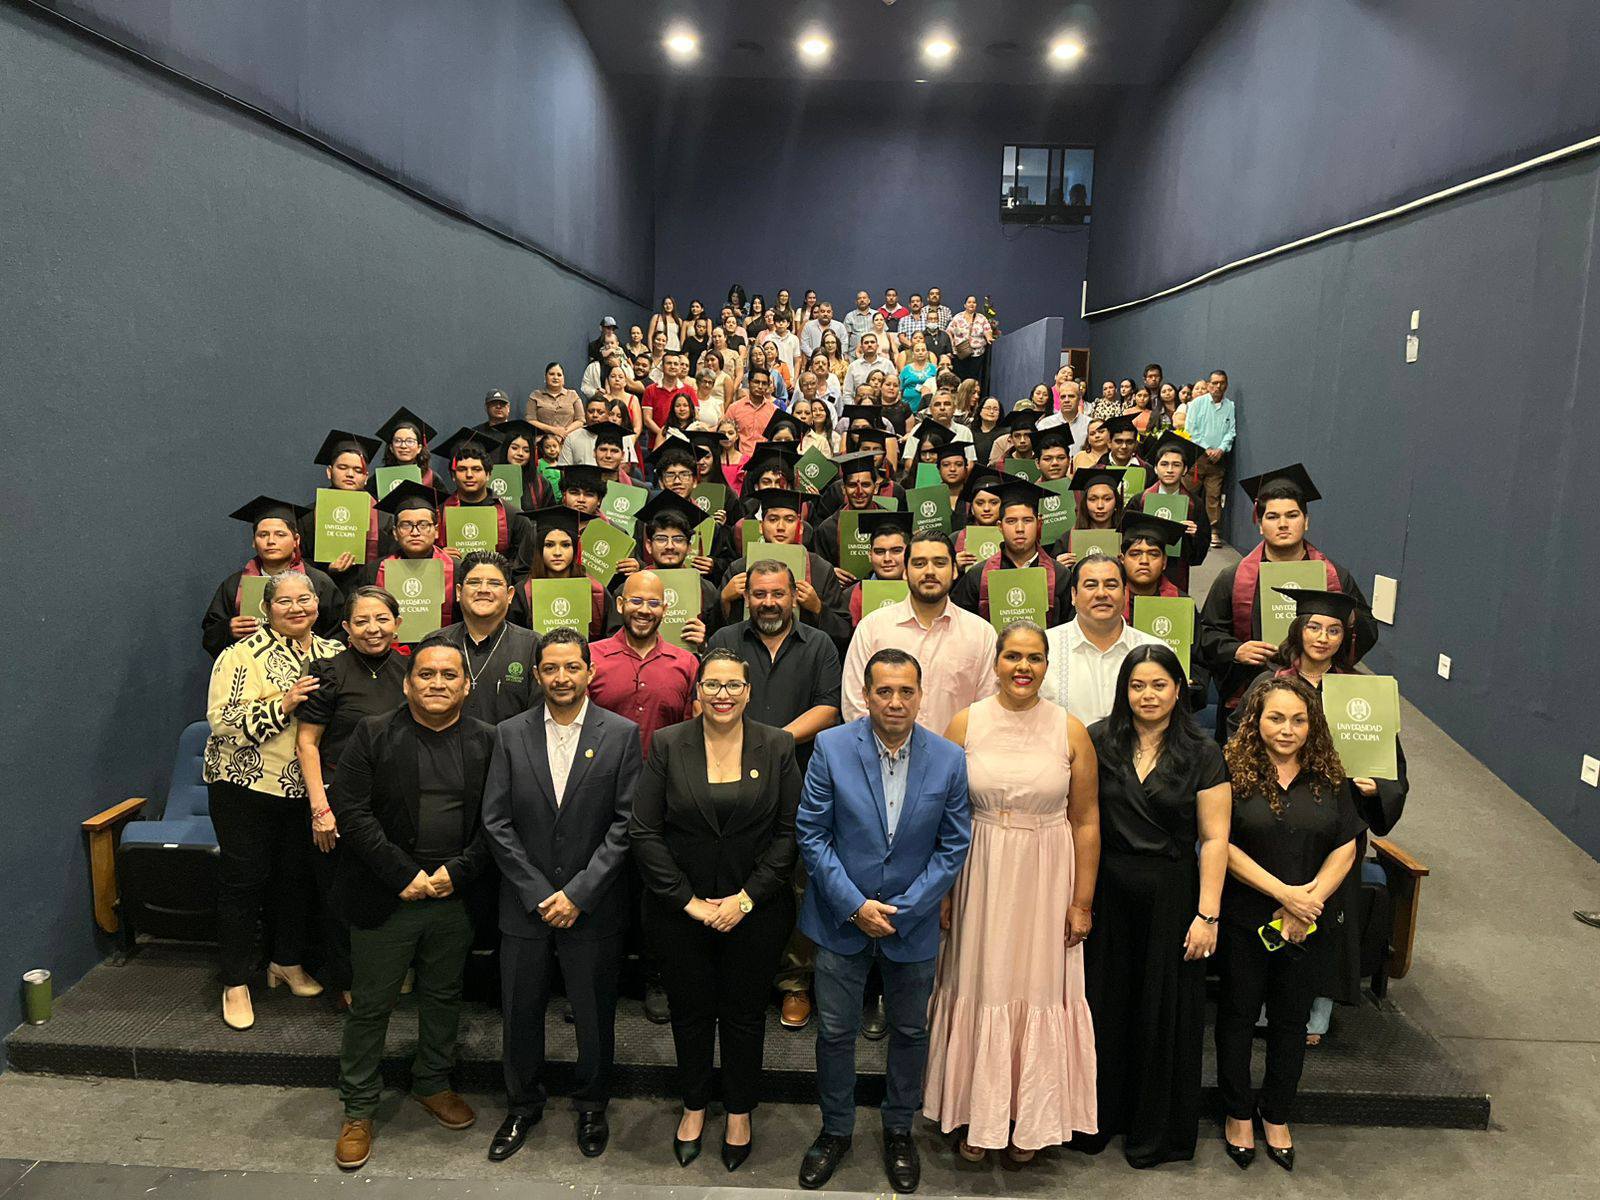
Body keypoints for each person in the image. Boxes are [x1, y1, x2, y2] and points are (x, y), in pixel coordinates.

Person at [795, 649, 971, 1193]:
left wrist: (908, 908)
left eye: (906, 691)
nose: (895, 702)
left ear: (920, 695)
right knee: (835, 1033)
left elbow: (953, 844)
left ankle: (899, 1130)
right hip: (841, 919)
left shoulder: (949, 758)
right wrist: (855, 905)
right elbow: (812, 834)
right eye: (884, 691)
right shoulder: (831, 747)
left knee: (911, 1031)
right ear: (866, 695)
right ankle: (836, 1130)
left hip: (911, 924)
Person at [924, 621, 1100, 1162]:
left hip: (1046, 875)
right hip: (978, 870)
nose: (1023, 667)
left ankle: (1030, 1118)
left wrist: (1081, 902)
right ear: (996, 662)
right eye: (1013, 656)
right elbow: (942, 814)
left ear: (1047, 665)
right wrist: (943, 890)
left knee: (1037, 991)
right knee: (979, 984)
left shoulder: (1071, 731)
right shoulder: (965, 722)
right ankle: (973, 1113)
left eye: (1034, 658)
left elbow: (1086, 821)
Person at [629, 649, 801, 1173]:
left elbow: (790, 832)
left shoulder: (777, 745)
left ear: (748, 693)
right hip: (681, 913)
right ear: (697, 692)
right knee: (691, 1013)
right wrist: (690, 903)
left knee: (745, 1015)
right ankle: (694, 1105)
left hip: (756, 910)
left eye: (733, 686)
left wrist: (746, 898)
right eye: (712, 685)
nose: (722, 695)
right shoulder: (667, 744)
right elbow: (644, 830)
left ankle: (740, 1111)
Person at [328, 640, 496, 1171]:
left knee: (443, 995)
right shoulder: (372, 733)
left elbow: (498, 820)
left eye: (449, 675)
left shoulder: (489, 740)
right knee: (372, 1004)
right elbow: (351, 811)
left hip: (454, 894)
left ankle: (432, 1082)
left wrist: (457, 873)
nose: (437, 683)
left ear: (466, 686)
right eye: (426, 674)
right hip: (387, 893)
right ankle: (359, 1108)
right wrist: (402, 875)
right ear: (407, 683)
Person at [479, 628, 642, 1162]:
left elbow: (626, 824)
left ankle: (592, 1105)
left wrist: (578, 893)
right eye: (551, 668)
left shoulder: (622, 734)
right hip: (524, 905)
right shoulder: (509, 733)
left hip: (593, 905)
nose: (562, 677)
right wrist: (537, 891)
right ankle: (522, 1105)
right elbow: (496, 821)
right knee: (520, 1011)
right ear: (537, 674)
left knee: (594, 1015)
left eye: (572, 667)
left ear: (590, 671)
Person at [1230, 587, 1410, 1044]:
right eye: (1314, 627)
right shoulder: (1269, 682)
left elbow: (1389, 761)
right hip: (1272, 813)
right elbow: (1236, 743)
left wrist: (1378, 788)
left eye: (1333, 630)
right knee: (1268, 903)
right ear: (1298, 629)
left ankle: (1317, 1006)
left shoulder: (1362, 691)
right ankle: (1265, 1000)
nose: (1322, 637)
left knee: (1327, 914)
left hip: (1333, 821)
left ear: (1345, 638)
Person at [1080, 646, 1230, 1166]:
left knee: (1162, 1013)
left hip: (1173, 893)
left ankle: (1154, 1133)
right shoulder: (1098, 740)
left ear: (1178, 690)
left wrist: (1207, 915)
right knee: (1104, 1006)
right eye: (1137, 685)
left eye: (1159, 685)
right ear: (1124, 690)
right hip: (1107, 892)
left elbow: (1215, 839)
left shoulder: (1204, 752)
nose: (1148, 695)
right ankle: (1095, 1119)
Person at [1216, 676, 1365, 1172]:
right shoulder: (1230, 770)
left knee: (1291, 1021)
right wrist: (1284, 895)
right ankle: (1238, 1112)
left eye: (1298, 720)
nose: (1287, 729)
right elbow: (1219, 844)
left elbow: (1345, 845)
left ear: (1312, 725)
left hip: (1307, 924)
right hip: (1246, 918)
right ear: (1256, 720)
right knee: (1238, 1016)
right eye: (1276, 718)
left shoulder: (1329, 777)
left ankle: (1277, 1113)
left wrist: (1308, 902)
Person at [705, 562, 843, 1031]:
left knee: (798, 882)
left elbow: (828, 708)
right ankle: (734, 977)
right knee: (736, 875)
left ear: (794, 596)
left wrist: (772, 744)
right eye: (760, 594)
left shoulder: (819, 644)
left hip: (799, 781)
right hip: (727, 780)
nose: (769, 602)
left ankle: (793, 983)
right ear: (747, 597)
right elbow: (708, 700)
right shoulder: (725, 640)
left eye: (778, 593)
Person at [204, 570, 343, 1031]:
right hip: (245, 786)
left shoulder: (333, 653)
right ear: (266, 608)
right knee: (243, 884)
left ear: (318, 605)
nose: (296, 607)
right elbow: (223, 722)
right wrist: (283, 703)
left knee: (295, 880)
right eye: (284, 601)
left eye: (305, 599)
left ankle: (286, 961)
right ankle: (236, 981)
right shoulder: (239, 654)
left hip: (305, 789)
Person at [295, 586, 410, 1008]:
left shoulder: (412, 671)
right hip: (338, 804)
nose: (372, 629)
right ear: (346, 627)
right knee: (341, 897)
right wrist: (320, 809)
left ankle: (390, 974)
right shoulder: (328, 671)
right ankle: (348, 982)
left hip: (395, 805)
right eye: (361, 621)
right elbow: (307, 744)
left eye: (382, 619)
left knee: (394, 892)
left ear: (398, 624)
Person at [1198, 464, 1377, 729]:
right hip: (1252, 690)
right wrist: (1236, 650)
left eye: (1292, 515)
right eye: (1272, 517)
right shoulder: (1233, 578)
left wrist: (1349, 618)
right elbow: (1206, 632)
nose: (1283, 524)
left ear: (1306, 521)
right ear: (1260, 525)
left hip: (1318, 694)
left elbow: (1368, 630)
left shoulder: (1334, 578)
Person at [843, 531, 998, 734]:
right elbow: (855, 704)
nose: (929, 571)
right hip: (882, 752)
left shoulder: (981, 634)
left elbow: (987, 708)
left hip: (958, 752)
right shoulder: (873, 628)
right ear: (905, 572)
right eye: (919, 564)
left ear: (954, 570)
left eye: (940, 563)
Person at [203, 495, 345, 659]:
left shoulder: (319, 582)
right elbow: (210, 635)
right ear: (254, 542)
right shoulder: (234, 584)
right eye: (263, 535)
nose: (271, 541)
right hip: (252, 668)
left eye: (280, 534)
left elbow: (339, 632)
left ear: (296, 540)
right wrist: (228, 630)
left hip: (309, 668)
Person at [1040, 555, 1164, 723]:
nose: (1101, 594)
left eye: (1111, 585)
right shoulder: (1043, 648)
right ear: (1074, 595)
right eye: (1091, 585)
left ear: (1125, 593)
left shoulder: (1155, 650)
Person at [718, 494, 850, 643]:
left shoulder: (821, 570)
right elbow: (715, 633)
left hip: (803, 652)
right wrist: (724, 599)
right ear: (761, 526)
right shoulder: (739, 569)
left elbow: (844, 631)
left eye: (789, 520)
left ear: (800, 527)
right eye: (773, 519)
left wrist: (818, 608)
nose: (780, 527)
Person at [950, 477, 1075, 627]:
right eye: (1011, 521)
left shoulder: (1061, 575)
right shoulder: (977, 575)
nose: (1019, 529)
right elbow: (962, 625)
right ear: (1000, 526)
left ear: (1039, 524)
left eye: (1027, 520)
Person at [434, 551, 537, 726]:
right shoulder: (434, 645)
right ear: (458, 592)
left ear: (510, 595)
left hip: (512, 744)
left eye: (494, 583)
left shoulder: (533, 647)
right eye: (474, 582)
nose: (483, 590)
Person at [299, 430, 394, 595]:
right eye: (342, 468)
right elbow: (299, 561)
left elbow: (391, 563)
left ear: (366, 477)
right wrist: (326, 570)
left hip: (371, 596)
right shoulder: (308, 515)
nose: (350, 474)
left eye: (358, 470)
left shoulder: (384, 517)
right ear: (329, 472)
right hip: (323, 597)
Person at [361, 481, 460, 630]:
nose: (415, 532)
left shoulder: (457, 570)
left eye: (423, 525)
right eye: (406, 525)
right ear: (395, 532)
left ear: (436, 531)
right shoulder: (374, 571)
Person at [1125, 431, 1210, 590]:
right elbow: (1125, 539)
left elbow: (1199, 554)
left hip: (1176, 570)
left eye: (1176, 465)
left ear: (1185, 469)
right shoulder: (1139, 501)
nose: (1169, 470)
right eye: (1164, 464)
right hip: (1143, 567)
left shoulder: (1194, 504)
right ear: (1156, 468)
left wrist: (1195, 535)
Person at [507, 506, 608, 639]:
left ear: (575, 548)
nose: (557, 552)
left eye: (566, 545)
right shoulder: (523, 593)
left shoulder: (596, 591)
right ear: (539, 549)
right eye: (549, 545)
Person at [432, 427, 524, 560]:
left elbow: (520, 565)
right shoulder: (438, 514)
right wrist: (439, 555)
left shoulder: (512, 515)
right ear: (453, 476)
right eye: (462, 469)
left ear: (488, 474)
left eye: (476, 469)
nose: (469, 475)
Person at [1186, 369, 1236, 547]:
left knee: (1213, 496)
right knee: (1188, 493)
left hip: (1218, 460)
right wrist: (1206, 449)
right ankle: (1184, 526)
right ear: (1208, 385)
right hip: (1197, 458)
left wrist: (1221, 449)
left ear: (1226, 385)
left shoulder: (1230, 406)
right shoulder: (1196, 404)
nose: (1218, 386)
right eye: (1214, 383)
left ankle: (1214, 532)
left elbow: (1231, 432)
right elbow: (1191, 430)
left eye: (1222, 383)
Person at [375, 407, 449, 494]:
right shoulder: (378, 479)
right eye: (398, 441)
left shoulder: (431, 478)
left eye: (410, 441)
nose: (403, 446)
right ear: (391, 447)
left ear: (419, 448)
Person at [946, 295, 994, 386]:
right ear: (965, 305)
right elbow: (948, 332)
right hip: (960, 354)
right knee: (959, 378)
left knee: (973, 380)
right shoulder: (957, 317)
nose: (972, 304)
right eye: (969, 302)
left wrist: (989, 338)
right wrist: (952, 345)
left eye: (974, 302)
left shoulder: (981, 318)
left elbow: (987, 330)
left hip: (976, 354)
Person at [528, 362, 584, 439]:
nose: (555, 377)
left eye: (559, 375)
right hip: (542, 440)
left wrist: (564, 432)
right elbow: (530, 420)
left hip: (568, 439)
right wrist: (553, 430)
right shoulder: (535, 395)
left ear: (563, 379)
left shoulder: (573, 395)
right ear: (545, 377)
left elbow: (580, 420)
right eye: (551, 374)